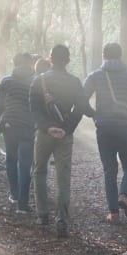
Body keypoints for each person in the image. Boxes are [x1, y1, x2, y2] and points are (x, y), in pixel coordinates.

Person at [82, 42, 127, 222]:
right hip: (126, 128)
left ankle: (113, 213)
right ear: (121, 56)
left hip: (104, 129)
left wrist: (93, 115)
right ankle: (124, 196)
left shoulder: (95, 76)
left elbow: (81, 98)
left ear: (104, 56)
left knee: (109, 170)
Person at [28, 44, 88, 237]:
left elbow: (33, 109)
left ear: (51, 58)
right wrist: (67, 129)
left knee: (39, 171)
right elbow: (80, 109)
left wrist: (47, 127)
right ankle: (62, 222)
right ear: (68, 60)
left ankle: (42, 215)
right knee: (63, 177)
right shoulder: (75, 82)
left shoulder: (39, 80)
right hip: (64, 135)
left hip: (44, 134)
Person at [0, 52, 36, 213]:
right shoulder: (35, 81)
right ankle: (22, 205)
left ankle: (14, 195)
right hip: (28, 127)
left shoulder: (6, 81)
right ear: (30, 63)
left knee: (11, 160)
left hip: (9, 125)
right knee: (25, 165)